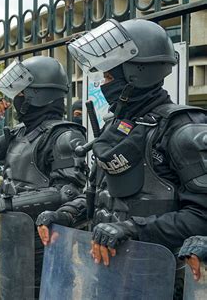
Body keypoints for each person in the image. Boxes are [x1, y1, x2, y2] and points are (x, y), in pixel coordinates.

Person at [36, 18, 207, 296]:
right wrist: (65, 214)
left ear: (137, 72)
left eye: (109, 77)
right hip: (107, 274)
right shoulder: (118, 127)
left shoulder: (182, 128)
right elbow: (101, 194)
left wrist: (132, 228)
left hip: (160, 280)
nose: (103, 85)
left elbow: (201, 214)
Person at [0, 56, 87, 294]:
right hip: (13, 237)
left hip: (45, 242)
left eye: (22, 92)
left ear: (38, 94)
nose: (17, 98)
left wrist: (7, 203)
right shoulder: (20, 133)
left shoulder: (64, 136)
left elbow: (68, 192)